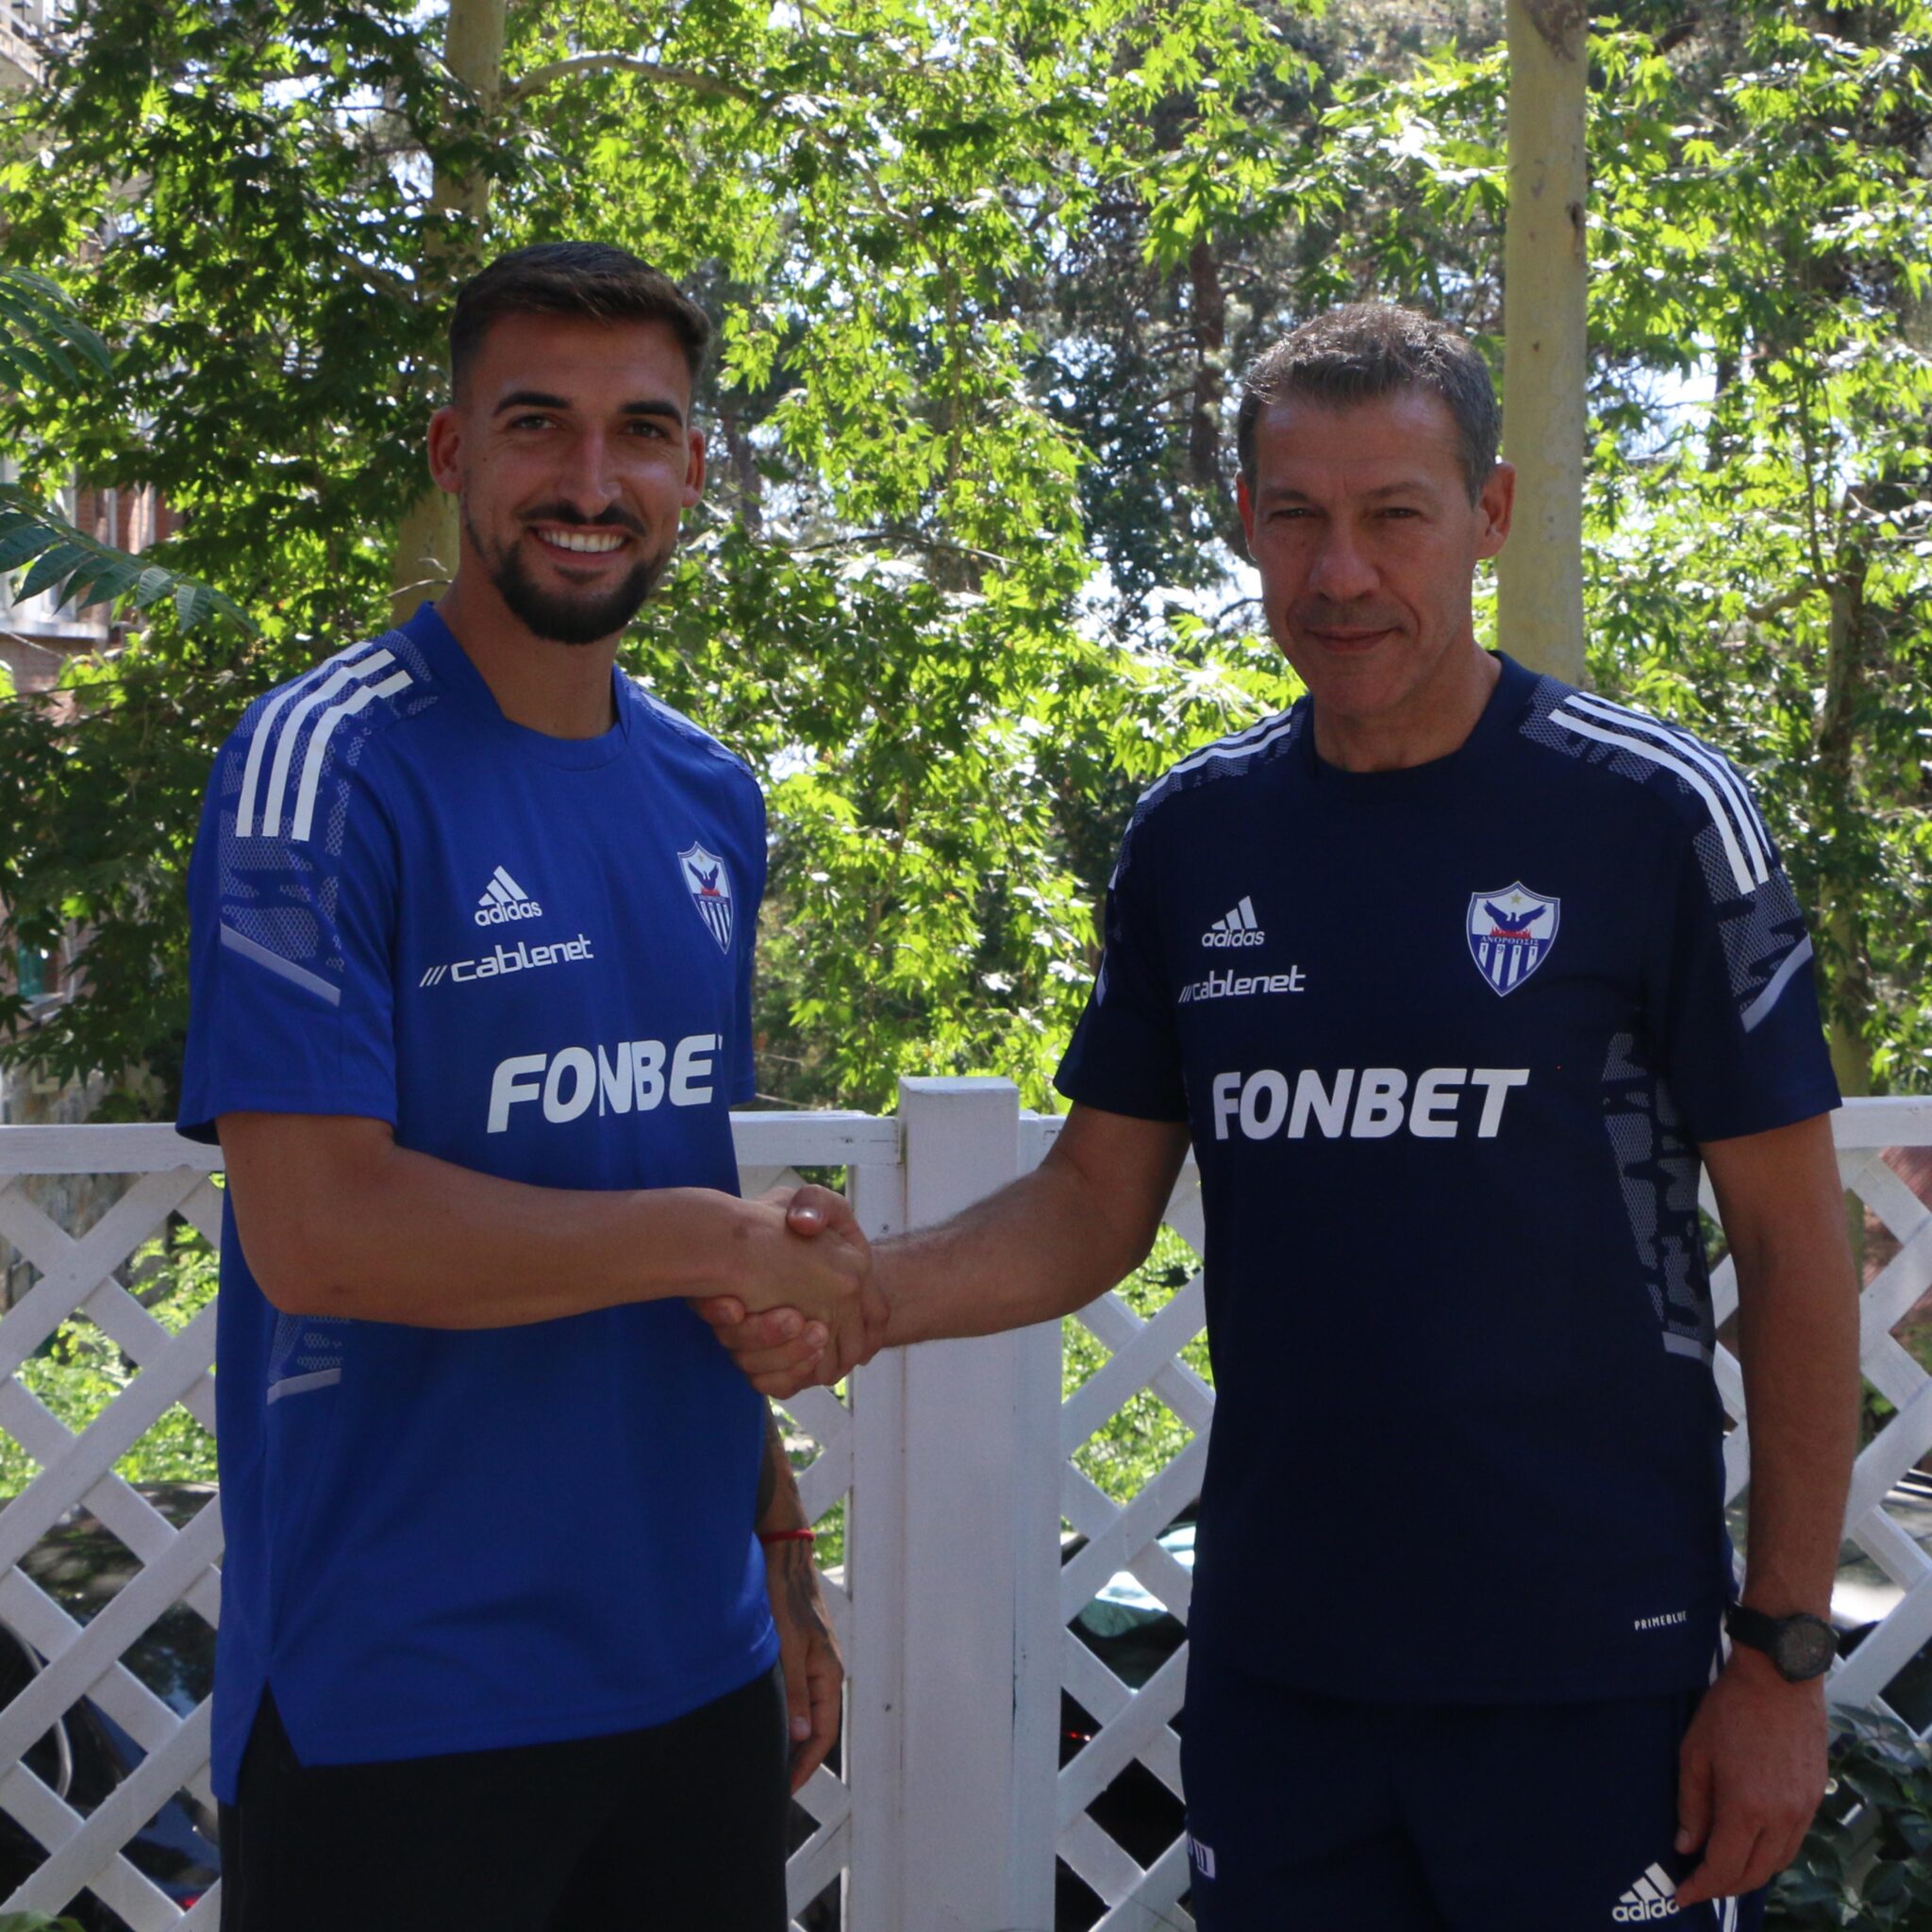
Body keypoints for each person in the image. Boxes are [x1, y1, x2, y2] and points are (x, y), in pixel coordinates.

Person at [706, 305, 1860, 1931]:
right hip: (1284, 1675)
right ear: (1246, 520)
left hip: (1594, 1682)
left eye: (1396, 514)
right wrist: (866, 1292)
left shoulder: (1649, 814)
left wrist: (1782, 1657)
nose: (1343, 572)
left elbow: (1799, 1254)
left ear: (1490, 514)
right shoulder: (1198, 838)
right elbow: (1089, 1202)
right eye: (1299, 516)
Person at [176, 242, 876, 1932]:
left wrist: (780, 1551)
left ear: (692, 469)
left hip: (693, 1669)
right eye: (536, 423)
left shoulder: (710, 795)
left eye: (642, 431)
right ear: (452, 453)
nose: (590, 481)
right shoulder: (321, 765)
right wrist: (718, 1237)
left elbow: (646, 1172)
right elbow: (321, 1237)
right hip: (403, 1695)